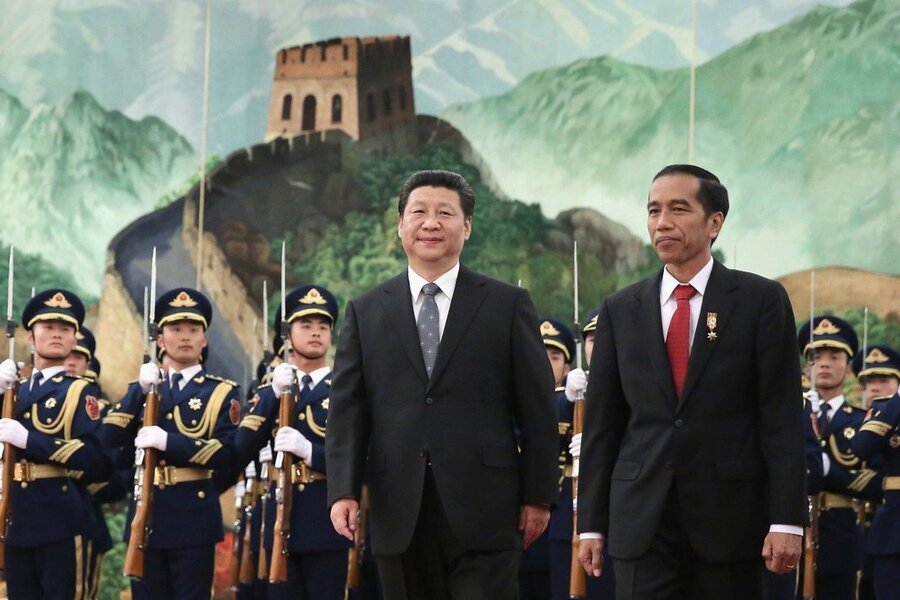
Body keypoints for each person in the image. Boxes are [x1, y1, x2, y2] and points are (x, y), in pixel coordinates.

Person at [326, 169, 559, 599]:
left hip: (487, 509)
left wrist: (539, 494)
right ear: (400, 225)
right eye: (419, 212)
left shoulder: (506, 304)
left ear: (466, 226)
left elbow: (537, 407)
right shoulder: (367, 311)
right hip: (399, 507)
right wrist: (343, 489)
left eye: (445, 213)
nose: (430, 223)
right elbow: (348, 410)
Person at [577, 164, 807, 600]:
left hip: (730, 520)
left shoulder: (759, 301)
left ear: (714, 223)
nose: (662, 223)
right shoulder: (621, 309)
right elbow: (603, 424)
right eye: (654, 211)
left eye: (678, 209)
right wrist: (590, 524)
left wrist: (786, 520)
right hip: (642, 517)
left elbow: (780, 417)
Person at [100, 287, 241, 599]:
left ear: (204, 339)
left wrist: (169, 442)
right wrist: (139, 390)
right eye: (176, 329)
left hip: (193, 517)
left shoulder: (220, 393)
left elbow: (225, 454)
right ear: (161, 340)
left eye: (193, 330)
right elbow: (108, 437)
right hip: (147, 513)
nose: (185, 337)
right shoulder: (144, 389)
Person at [232, 284, 351, 599]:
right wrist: (273, 393)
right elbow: (240, 448)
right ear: (287, 336)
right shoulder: (272, 391)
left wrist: (311, 452)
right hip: (280, 523)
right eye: (306, 325)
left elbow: (363, 458)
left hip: (328, 522)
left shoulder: (347, 389)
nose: (316, 332)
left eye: (323, 326)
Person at [0, 289, 112, 598]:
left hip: (57, 517)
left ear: (74, 340)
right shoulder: (13, 390)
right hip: (14, 515)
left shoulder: (80, 391)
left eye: (65, 329)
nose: (57, 334)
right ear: (30, 337)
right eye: (48, 327)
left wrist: (29, 440)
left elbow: (94, 457)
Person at [798, 315, 883, 600]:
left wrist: (827, 470)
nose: (824, 364)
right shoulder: (790, 416)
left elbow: (878, 482)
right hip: (794, 530)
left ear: (847, 368)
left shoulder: (863, 421)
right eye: (816, 358)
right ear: (806, 367)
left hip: (841, 534)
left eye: (834, 357)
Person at [852, 343, 900, 600]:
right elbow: (862, 447)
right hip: (894, 528)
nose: (875, 386)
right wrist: (897, 399)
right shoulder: (888, 411)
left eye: (884, 380)